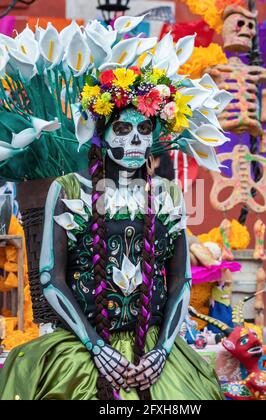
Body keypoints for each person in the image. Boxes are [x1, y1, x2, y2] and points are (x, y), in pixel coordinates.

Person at [0, 16, 231, 400]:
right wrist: (97, 349)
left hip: (155, 351)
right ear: (101, 133)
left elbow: (180, 282)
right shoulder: (67, 188)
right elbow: (50, 279)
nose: (135, 141)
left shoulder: (168, 194)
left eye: (144, 131)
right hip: (83, 347)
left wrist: (161, 354)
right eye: (123, 130)